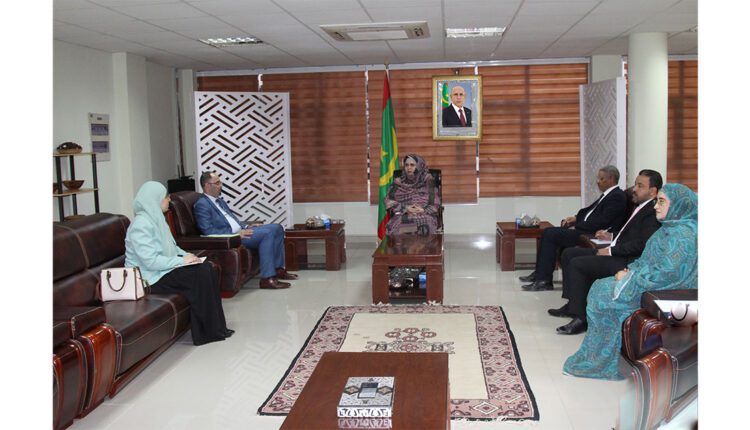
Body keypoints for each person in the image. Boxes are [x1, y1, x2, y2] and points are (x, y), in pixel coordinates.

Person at [563, 183, 697, 380]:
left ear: (678, 205)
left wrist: (630, 277)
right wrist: (630, 271)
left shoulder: (683, 235)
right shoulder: (669, 228)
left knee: (603, 295)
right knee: (600, 287)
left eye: (661, 202)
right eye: (656, 201)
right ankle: (596, 359)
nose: (656, 206)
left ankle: (599, 363)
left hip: (668, 292)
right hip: (649, 281)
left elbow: (669, 274)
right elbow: (646, 260)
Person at [551, 169, 663, 335]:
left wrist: (610, 250)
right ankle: (573, 304)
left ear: (653, 191)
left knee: (578, 264)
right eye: (635, 184)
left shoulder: (653, 212)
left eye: (640, 186)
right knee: (569, 253)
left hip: (627, 260)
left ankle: (581, 318)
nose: (634, 189)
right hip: (619, 252)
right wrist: (611, 236)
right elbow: (630, 234)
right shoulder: (641, 206)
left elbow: (642, 244)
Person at [125, 181, 233, 346]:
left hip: (162, 271)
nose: (169, 199)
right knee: (201, 273)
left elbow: (172, 247)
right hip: (149, 278)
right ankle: (206, 333)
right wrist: (181, 261)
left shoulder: (157, 219)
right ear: (155, 199)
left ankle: (217, 328)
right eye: (166, 196)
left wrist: (187, 255)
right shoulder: (140, 225)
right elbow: (151, 261)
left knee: (207, 268)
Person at [520, 165, 627, 291]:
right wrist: (576, 218)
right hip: (585, 229)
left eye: (601, 179)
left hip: (592, 233)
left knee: (550, 233)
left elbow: (602, 222)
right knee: (548, 232)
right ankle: (540, 274)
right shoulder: (608, 195)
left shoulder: (617, 196)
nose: (598, 182)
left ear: (611, 179)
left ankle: (544, 280)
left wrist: (577, 227)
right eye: (598, 178)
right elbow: (590, 212)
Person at [193, 172, 297, 290]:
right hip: (233, 238)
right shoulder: (202, 204)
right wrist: (235, 234)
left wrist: (247, 226)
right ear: (207, 185)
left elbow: (233, 221)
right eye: (217, 183)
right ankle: (267, 279)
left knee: (277, 228)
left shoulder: (219, 201)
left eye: (220, 182)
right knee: (267, 234)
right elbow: (208, 231)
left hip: (241, 231)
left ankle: (277, 269)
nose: (220, 185)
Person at [384, 154, 441, 235]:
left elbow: (435, 200)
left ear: (419, 166)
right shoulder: (398, 182)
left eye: (412, 165)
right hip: (403, 213)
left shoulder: (428, 180)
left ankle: (424, 244)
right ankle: (403, 243)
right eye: (406, 165)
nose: (409, 168)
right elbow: (388, 200)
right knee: (401, 224)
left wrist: (423, 209)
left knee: (427, 222)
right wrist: (405, 208)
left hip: (425, 213)